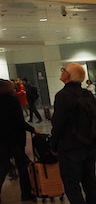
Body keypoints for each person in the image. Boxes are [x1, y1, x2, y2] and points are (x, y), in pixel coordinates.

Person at [51, 62, 96, 204]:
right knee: (90, 183)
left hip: (70, 147)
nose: (61, 72)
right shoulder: (87, 94)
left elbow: (58, 123)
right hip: (89, 145)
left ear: (68, 76)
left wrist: (53, 145)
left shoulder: (62, 96)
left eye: (63, 70)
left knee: (72, 185)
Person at [0, 79, 34, 203]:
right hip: (15, 137)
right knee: (22, 165)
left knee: (4, 164)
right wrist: (32, 129)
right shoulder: (13, 101)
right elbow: (19, 121)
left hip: (0, 138)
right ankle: (26, 194)